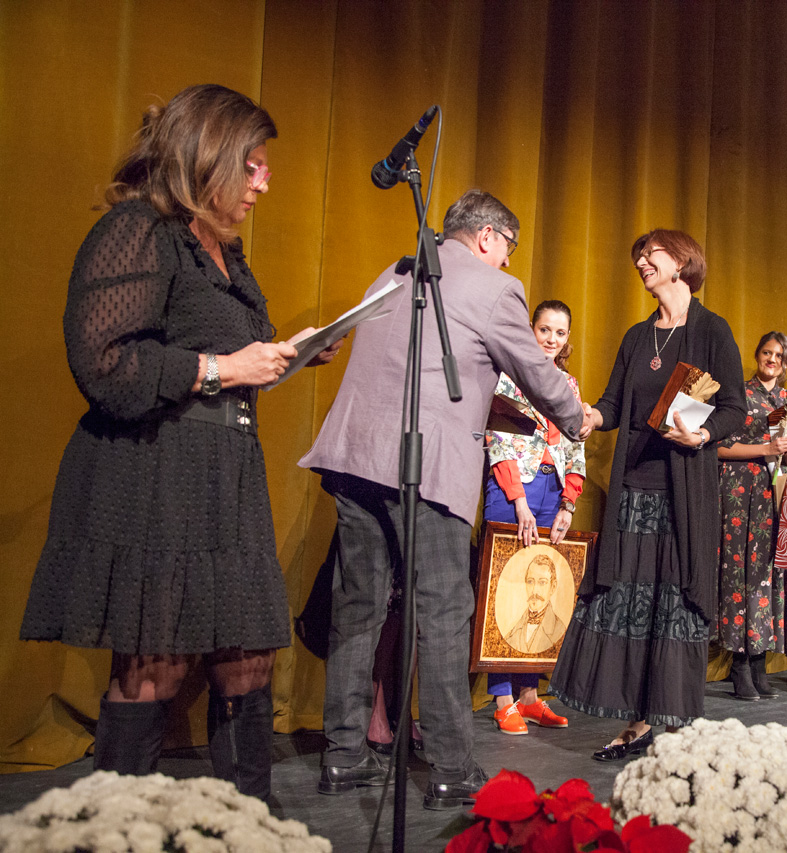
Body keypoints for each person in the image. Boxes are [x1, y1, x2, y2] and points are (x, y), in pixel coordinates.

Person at [19, 84, 341, 800]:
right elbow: (103, 363)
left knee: (248, 659)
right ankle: (112, 829)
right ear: (207, 156)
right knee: (155, 665)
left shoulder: (222, 251)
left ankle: (246, 825)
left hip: (227, 476)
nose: (264, 182)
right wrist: (225, 368)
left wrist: (282, 356)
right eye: (252, 165)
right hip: (157, 474)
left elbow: (226, 357)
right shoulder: (140, 229)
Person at [298, 190, 584, 808]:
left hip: (355, 457)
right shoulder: (495, 288)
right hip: (424, 468)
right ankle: (452, 767)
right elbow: (536, 372)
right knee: (445, 613)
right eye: (507, 248)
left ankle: (343, 755)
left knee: (359, 608)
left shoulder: (396, 271)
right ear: (487, 237)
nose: (507, 262)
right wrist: (575, 416)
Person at [549, 229, 747, 761]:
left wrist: (703, 434)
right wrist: (591, 417)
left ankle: (673, 724)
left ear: (681, 262)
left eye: (651, 253)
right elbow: (614, 403)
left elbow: (734, 407)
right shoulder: (638, 336)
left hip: (683, 496)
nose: (640, 261)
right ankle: (636, 724)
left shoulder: (711, 330)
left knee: (673, 605)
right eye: (638, 254)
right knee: (634, 606)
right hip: (633, 492)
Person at [481, 298, 583, 734]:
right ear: (531, 330)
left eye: (560, 333)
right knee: (506, 587)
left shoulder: (569, 383)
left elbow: (576, 441)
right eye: (545, 330)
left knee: (541, 589)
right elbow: (499, 439)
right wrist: (518, 500)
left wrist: (569, 500)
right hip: (513, 489)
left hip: (552, 489)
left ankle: (528, 696)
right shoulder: (509, 376)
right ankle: (502, 697)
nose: (552, 339)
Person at [716, 332, 787, 700]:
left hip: (772, 493)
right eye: (767, 352)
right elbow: (719, 447)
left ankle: (758, 661)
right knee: (738, 574)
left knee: (766, 576)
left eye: (779, 355)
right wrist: (767, 447)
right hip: (738, 489)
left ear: (786, 364)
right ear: (757, 355)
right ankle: (738, 663)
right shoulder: (739, 393)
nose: (772, 359)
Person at [500, 555, 569, 655]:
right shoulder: (511, 634)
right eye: (530, 582)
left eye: (542, 582)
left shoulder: (561, 630)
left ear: (553, 587)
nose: (534, 591)